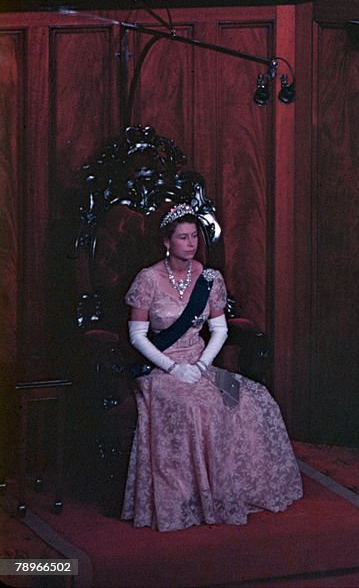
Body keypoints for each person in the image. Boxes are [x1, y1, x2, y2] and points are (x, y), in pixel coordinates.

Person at [122, 203, 303, 531]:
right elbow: (137, 336)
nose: (190, 244)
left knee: (251, 397)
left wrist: (203, 364)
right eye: (182, 237)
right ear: (167, 242)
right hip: (159, 371)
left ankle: (229, 491)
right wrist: (174, 368)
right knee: (195, 406)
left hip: (201, 365)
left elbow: (220, 329)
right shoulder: (148, 279)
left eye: (194, 237)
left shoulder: (209, 278)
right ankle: (187, 498)